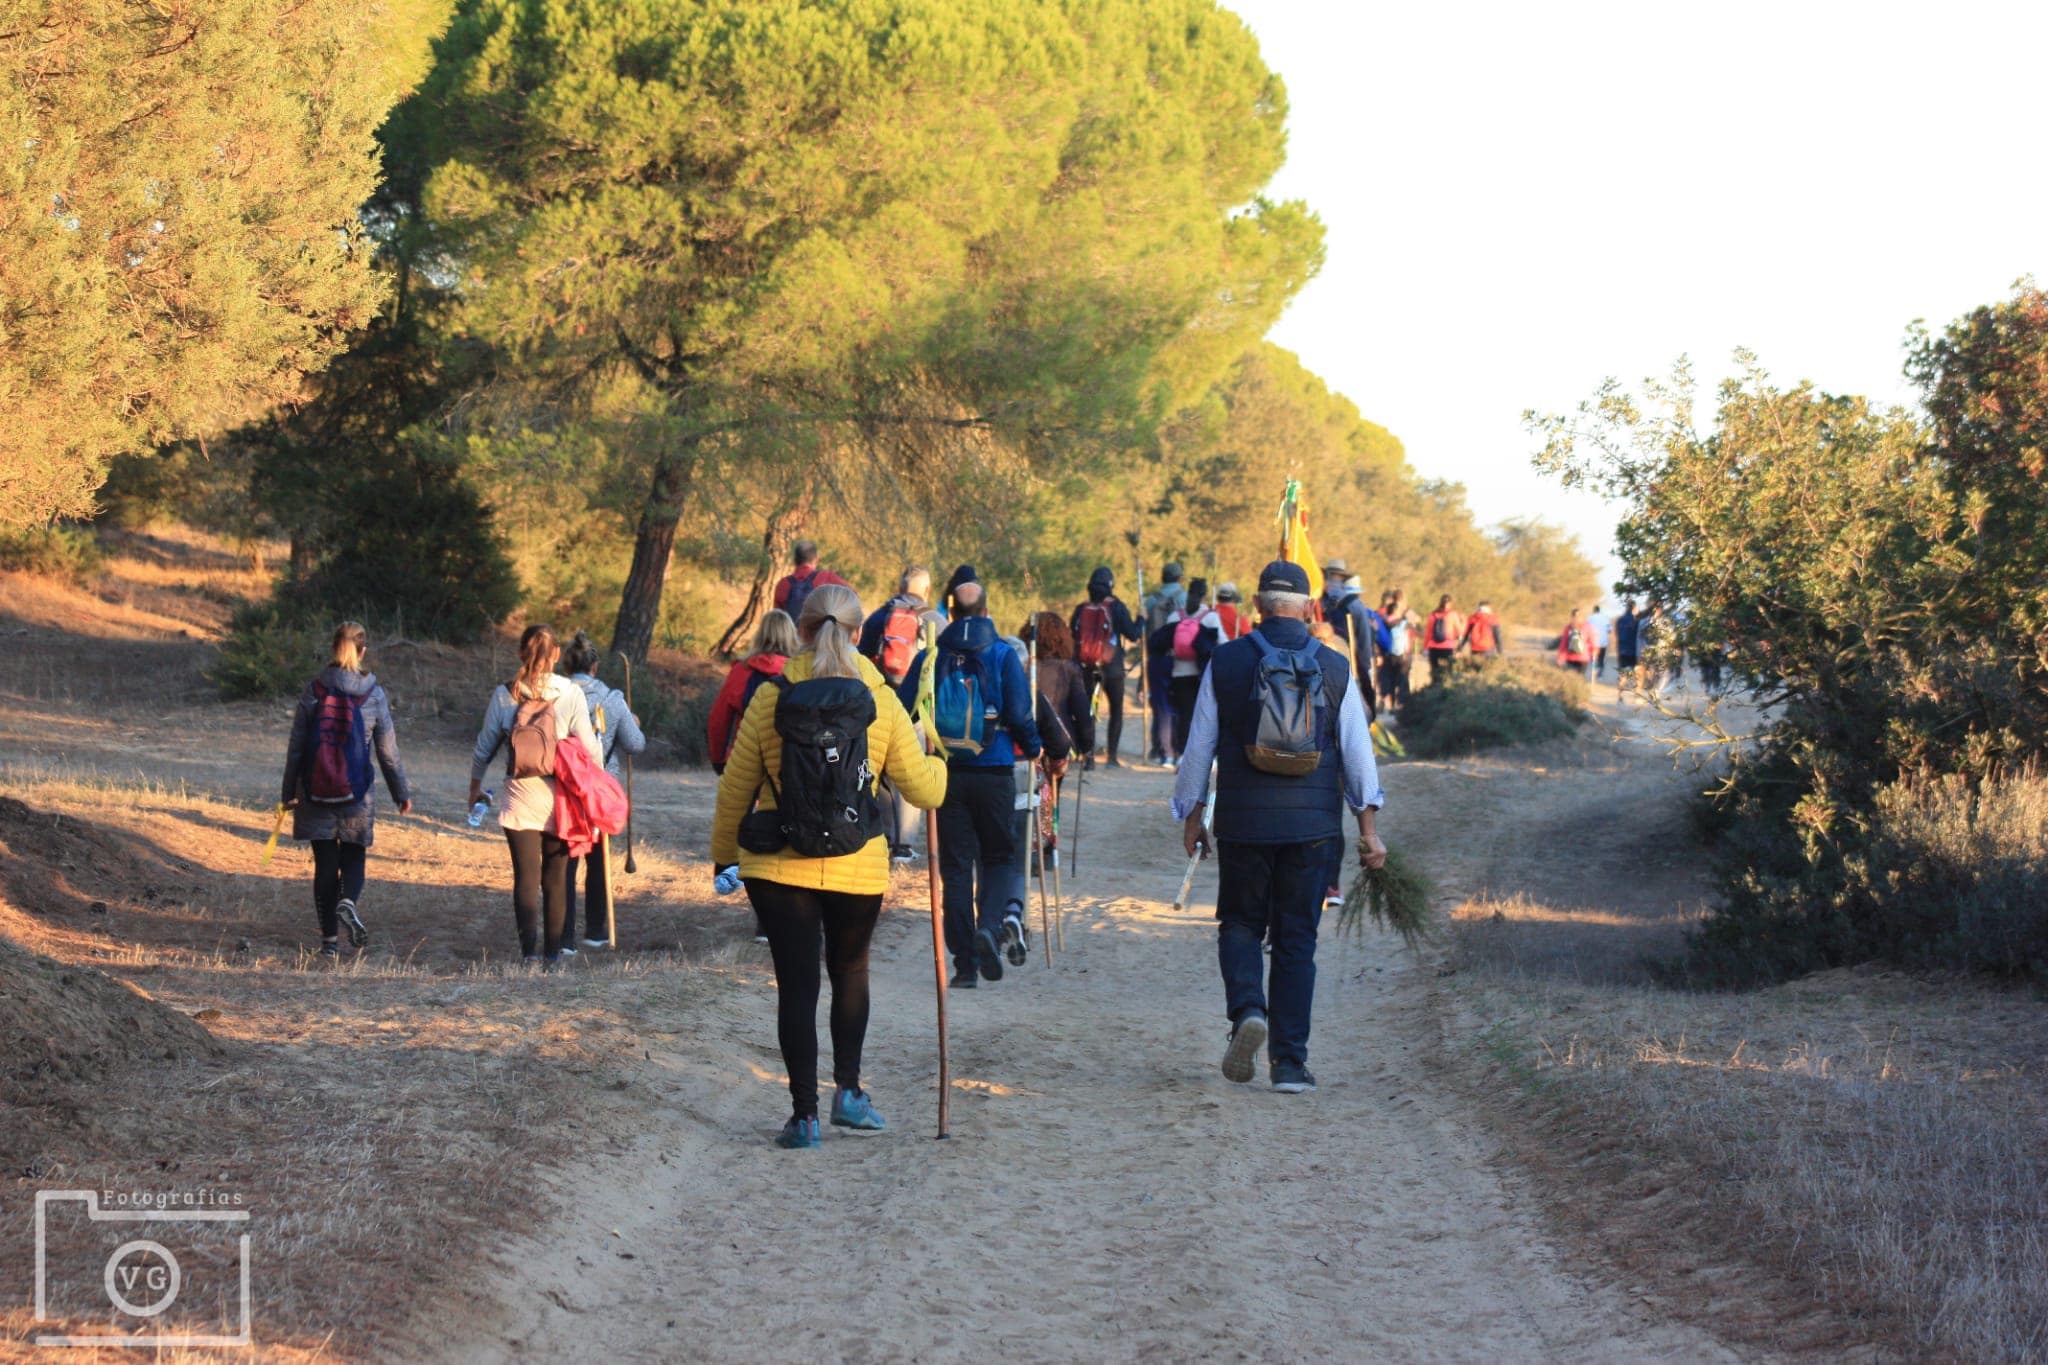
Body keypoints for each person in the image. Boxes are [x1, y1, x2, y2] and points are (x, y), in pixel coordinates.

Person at [709, 584, 947, 1148]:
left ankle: (804, 1117)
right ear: (859, 632)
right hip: (857, 862)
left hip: (776, 865)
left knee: (796, 989)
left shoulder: (771, 697)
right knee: (850, 974)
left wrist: (724, 857)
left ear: (803, 629)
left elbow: (734, 791)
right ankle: (849, 1094)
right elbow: (921, 789)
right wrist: (942, 769)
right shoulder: (881, 698)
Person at [1173, 561, 1386, 1095]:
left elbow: (1198, 748)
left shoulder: (1226, 662)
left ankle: (1248, 1010)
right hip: (1315, 828)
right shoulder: (1335, 667)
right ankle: (1289, 1065)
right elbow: (1359, 757)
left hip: (1244, 822)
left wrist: (1193, 815)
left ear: (1257, 608)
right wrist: (1369, 828)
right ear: (1311, 609)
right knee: (1297, 940)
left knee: (1241, 923)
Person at [926, 581, 1042, 987]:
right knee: (997, 858)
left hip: (948, 774)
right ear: (987, 611)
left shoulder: (935, 653)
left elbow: (909, 705)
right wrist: (1034, 747)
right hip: (994, 772)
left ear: (951, 612)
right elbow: (1019, 712)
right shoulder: (1002, 654)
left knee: (955, 868)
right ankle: (989, 930)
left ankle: (964, 967)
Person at [469, 624, 604, 968]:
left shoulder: (505, 693)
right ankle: (553, 954)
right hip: (560, 797)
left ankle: (529, 953)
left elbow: (484, 746)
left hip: (519, 794)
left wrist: (474, 785)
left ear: (520, 653)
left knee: (525, 878)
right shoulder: (570, 693)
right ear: (557, 655)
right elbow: (588, 749)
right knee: (556, 878)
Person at [279, 622, 411, 960]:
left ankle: (329, 943)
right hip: (357, 794)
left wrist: (288, 792)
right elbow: (387, 751)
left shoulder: (314, 689)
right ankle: (348, 901)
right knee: (353, 857)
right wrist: (401, 793)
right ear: (363, 651)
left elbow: (297, 746)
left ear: (333, 648)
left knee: (324, 864)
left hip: (316, 791)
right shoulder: (373, 694)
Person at [560, 631, 645, 952]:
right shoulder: (612, 699)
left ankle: (564, 937)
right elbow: (635, 745)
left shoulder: (556, 694)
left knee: (564, 863)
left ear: (567, 666)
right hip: (600, 791)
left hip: (565, 790)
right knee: (598, 862)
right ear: (595, 667)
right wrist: (633, 722)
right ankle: (595, 932)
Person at [859, 566, 948, 861]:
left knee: (882, 768)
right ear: (926, 590)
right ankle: (905, 844)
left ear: (900, 586)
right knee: (912, 766)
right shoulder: (936, 620)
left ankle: (885, 835)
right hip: (918, 708)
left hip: (881, 702)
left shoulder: (879, 617)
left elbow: (861, 657)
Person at [707, 611, 797, 775]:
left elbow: (718, 719)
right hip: (788, 760)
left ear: (760, 635)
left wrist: (718, 758)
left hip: (744, 756)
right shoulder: (799, 671)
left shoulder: (742, 670)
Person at [1069, 566, 1140, 767]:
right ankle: (1112, 757)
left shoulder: (1081, 608)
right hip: (1113, 665)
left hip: (1086, 666)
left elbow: (1073, 635)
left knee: (1088, 710)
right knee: (1116, 710)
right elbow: (1133, 634)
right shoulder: (1116, 607)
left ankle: (1088, 755)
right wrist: (1142, 619)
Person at [1318, 559, 1388, 713]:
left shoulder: (1316, 601)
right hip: (1348, 665)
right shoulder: (1355, 604)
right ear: (1343, 578)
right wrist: (1365, 669)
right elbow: (1364, 641)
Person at [1142, 562, 1188, 763]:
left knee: (1161, 706)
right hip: (1180, 658)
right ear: (1179, 578)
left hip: (1156, 658)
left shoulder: (1151, 601)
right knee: (1180, 704)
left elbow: (1143, 630)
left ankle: (1164, 751)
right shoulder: (1185, 599)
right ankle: (1179, 749)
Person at [1167, 578, 1215, 761]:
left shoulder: (1174, 617)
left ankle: (1181, 753)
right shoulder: (1210, 617)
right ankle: (1201, 754)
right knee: (1204, 715)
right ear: (1204, 595)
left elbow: (1164, 643)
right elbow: (1223, 644)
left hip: (1178, 672)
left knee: (1183, 714)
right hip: (1202, 674)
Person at [771, 539, 849, 622]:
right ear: (816, 560)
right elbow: (852, 597)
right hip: (821, 634)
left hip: (791, 634)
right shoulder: (827, 577)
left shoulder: (783, 584)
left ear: (794, 561)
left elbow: (777, 621)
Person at [1376, 590, 1419, 710]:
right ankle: (1402, 705)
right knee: (1402, 678)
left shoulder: (1381, 615)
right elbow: (1417, 627)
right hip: (1404, 653)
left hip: (1386, 652)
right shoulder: (1405, 615)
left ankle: (1386, 700)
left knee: (1387, 677)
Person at [1423, 594, 1465, 684]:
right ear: (1450, 603)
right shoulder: (1453, 615)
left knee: (1434, 672)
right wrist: (1464, 622)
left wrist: (1425, 648)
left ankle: (1434, 691)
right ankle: (1444, 693)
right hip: (1447, 647)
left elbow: (1428, 633)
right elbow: (1460, 631)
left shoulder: (1432, 615)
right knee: (1447, 673)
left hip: (1433, 648)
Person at [1612, 598, 1641, 700]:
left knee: (1623, 674)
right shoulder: (1636, 621)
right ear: (1634, 608)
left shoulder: (1619, 620)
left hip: (1622, 650)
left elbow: (1616, 634)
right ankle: (1637, 696)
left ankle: (1620, 695)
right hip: (1633, 650)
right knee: (1637, 674)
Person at [1555, 607, 1596, 676]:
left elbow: (1563, 644)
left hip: (1570, 656)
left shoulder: (1568, 627)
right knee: (1580, 677)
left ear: (1572, 616)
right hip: (1583, 657)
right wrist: (1594, 651)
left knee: (1571, 677)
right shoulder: (1587, 626)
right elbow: (1592, 641)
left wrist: (1560, 657)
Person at [1587, 602, 1612, 678]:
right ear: (1599, 610)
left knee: (1593, 657)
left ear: (1594, 610)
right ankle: (1599, 674)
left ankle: (1593, 672)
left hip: (1593, 642)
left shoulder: (1590, 618)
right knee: (1601, 658)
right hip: (1603, 642)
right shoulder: (1605, 618)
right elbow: (1610, 630)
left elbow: (1586, 629)